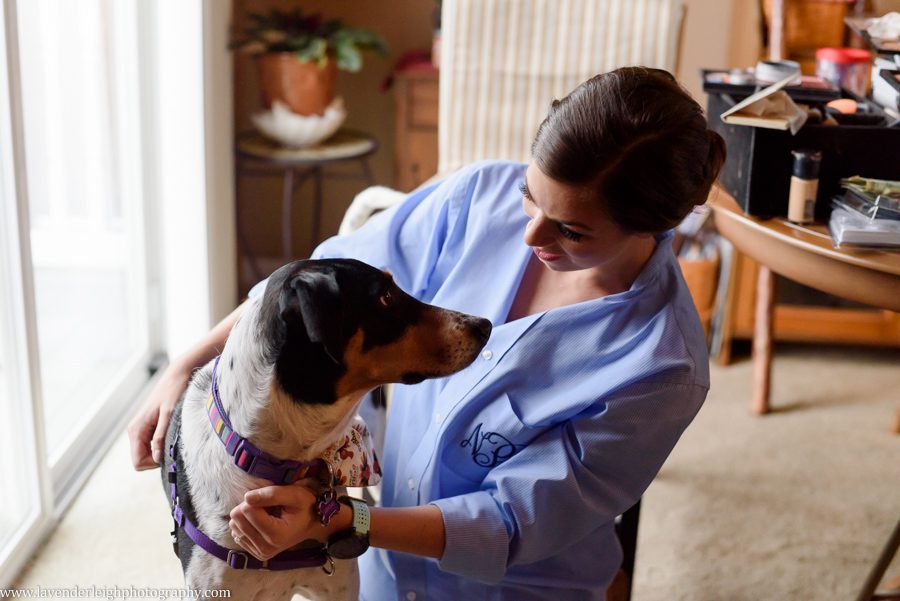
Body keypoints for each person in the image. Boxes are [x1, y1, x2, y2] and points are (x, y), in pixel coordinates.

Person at [128, 66, 726, 600]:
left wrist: (340, 521)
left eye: (571, 230)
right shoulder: (479, 197)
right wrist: (186, 363)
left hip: (507, 589)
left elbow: (512, 520)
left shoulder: (662, 367)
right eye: (530, 196)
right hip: (381, 571)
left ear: (653, 225)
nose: (529, 236)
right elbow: (316, 281)